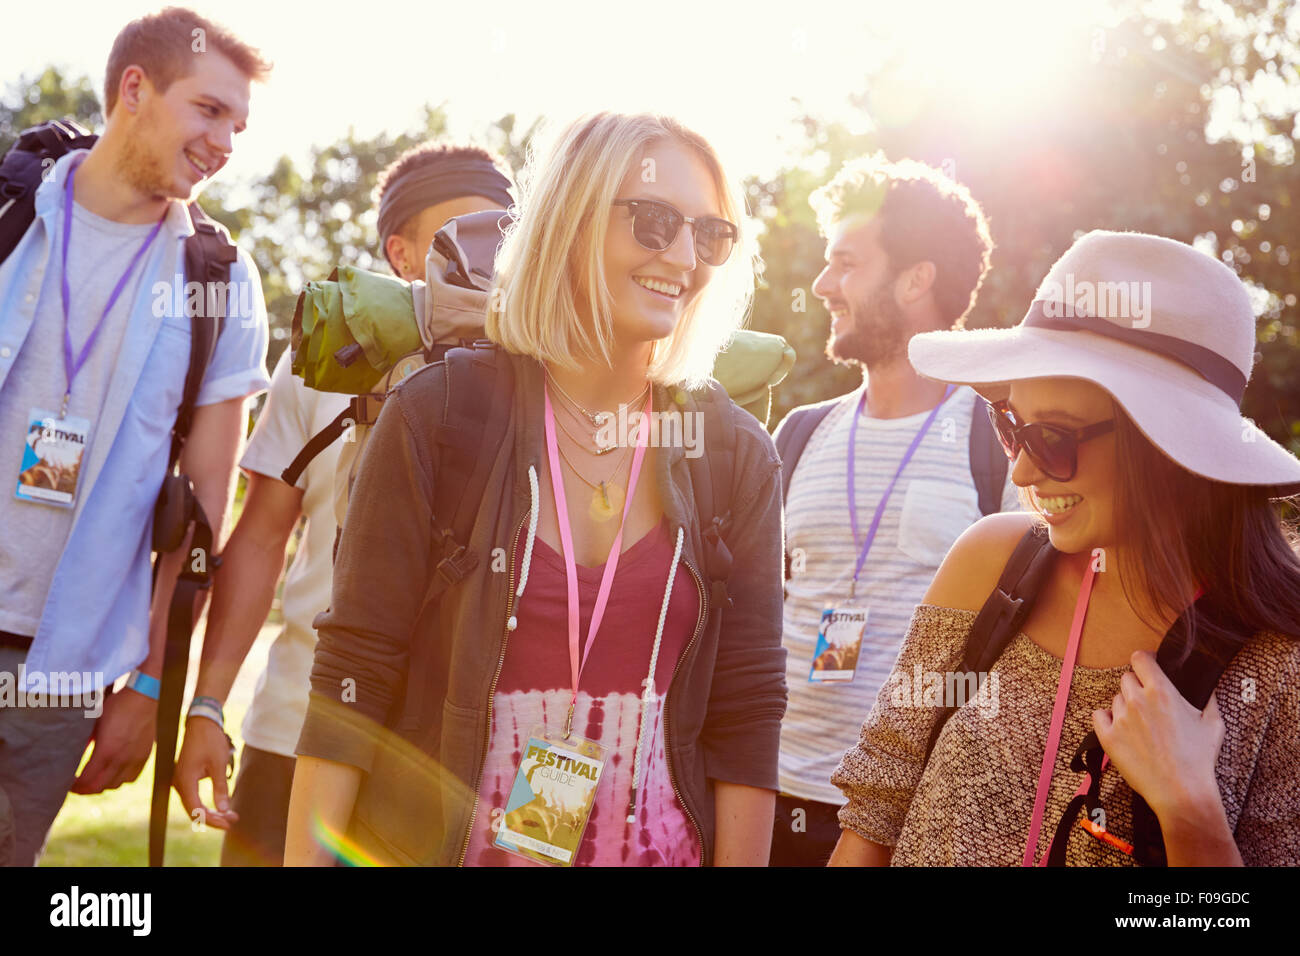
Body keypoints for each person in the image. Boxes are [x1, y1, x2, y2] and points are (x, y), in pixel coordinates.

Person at [284, 111, 787, 867]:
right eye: (653, 222)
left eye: (709, 234)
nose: (685, 257)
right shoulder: (440, 415)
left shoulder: (734, 453)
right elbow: (356, 670)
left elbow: (745, 716)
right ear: (571, 220)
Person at [830, 229, 1300, 866]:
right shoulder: (991, 566)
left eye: (1053, 438)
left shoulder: (1279, 667)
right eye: (1011, 427)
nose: (1021, 472)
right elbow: (875, 814)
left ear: (1166, 446)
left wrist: (1190, 811)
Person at [172, 144, 513, 866]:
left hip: (453, 761)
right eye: (460, 232)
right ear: (403, 253)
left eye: (504, 233)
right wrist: (207, 709)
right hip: (298, 728)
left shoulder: (548, 376)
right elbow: (261, 538)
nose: (487, 253)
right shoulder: (325, 356)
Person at [0, 7, 271, 866]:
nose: (225, 141)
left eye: (238, 124)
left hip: (62, 680)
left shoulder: (218, 282)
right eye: (209, 110)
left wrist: (150, 685)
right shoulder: (9, 210)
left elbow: (201, 519)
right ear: (134, 89)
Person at [768, 156, 1019, 866]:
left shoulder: (1000, 438)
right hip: (771, 798)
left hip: (906, 822)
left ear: (916, 278)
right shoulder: (798, 433)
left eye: (846, 263)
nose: (823, 285)